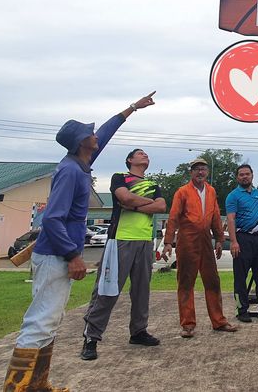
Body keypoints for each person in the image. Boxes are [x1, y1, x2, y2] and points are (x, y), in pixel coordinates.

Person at [3, 92, 156, 392]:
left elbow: (106, 133)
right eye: (89, 133)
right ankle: (16, 387)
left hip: (57, 255)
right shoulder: (70, 171)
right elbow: (52, 219)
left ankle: (37, 384)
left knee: (50, 319)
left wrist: (133, 109)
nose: (95, 134)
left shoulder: (83, 161)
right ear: (81, 143)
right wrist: (74, 256)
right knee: (40, 321)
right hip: (55, 257)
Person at [80, 148, 166, 360]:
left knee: (141, 290)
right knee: (108, 289)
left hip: (145, 241)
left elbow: (161, 206)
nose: (145, 155)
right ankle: (91, 337)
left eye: (147, 153)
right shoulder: (120, 177)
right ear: (130, 160)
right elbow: (123, 197)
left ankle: (138, 331)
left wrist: (135, 207)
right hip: (120, 239)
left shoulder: (154, 185)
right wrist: (146, 203)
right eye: (140, 153)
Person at [161, 158, 237, 338]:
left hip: (205, 240)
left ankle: (219, 321)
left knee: (212, 280)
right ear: (191, 173)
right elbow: (173, 217)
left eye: (203, 169)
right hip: (187, 239)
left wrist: (219, 239)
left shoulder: (211, 191)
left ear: (207, 172)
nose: (200, 172)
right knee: (186, 281)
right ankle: (188, 324)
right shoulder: (182, 192)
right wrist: (167, 242)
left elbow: (216, 216)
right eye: (196, 170)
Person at [225, 164, 258, 323]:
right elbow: (231, 219)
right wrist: (233, 241)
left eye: (247, 174)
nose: (245, 177)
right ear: (237, 177)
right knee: (241, 277)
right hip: (242, 238)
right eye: (241, 174)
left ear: (252, 175)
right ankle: (242, 309)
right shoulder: (233, 196)